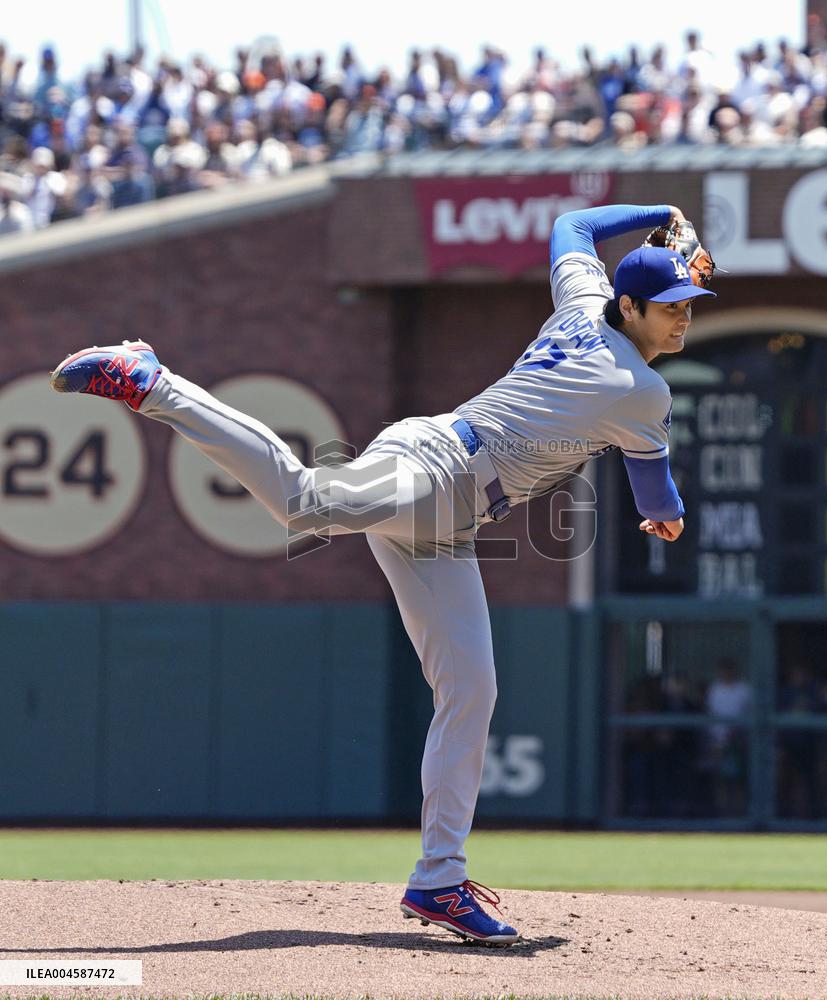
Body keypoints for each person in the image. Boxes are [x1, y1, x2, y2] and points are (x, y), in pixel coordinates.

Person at [49, 201, 715, 945]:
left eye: (689, 306)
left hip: (451, 518)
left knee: (470, 690)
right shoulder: (641, 389)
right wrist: (666, 515)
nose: (682, 319)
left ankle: (439, 881)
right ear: (630, 306)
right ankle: (152, 380)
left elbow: (573, 228)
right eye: (670, 306)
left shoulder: (585, 302)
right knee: (307, 504)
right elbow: (657, 499)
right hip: (435, 469)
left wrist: (658, 213)